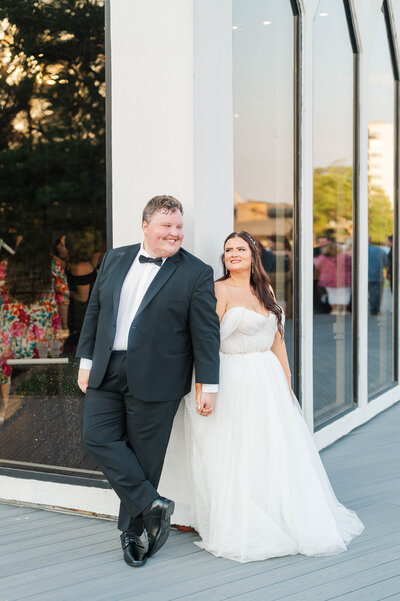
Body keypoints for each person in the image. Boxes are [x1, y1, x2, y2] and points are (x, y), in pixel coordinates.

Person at [160, 231, 364, 563]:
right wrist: (203, 388)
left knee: (269, 447)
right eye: (228, 250)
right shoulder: (218, 290)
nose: (233, 254)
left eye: (240, 248)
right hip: (233, 377)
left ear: (254, 254)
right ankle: (237, 517)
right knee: (234, 449)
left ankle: (276, 509)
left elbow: (277, 339)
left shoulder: (265, 290)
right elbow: (205, 342)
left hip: (266, 378)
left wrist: (286, 382)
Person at [76, 195, 220, 568]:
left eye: (178, 226)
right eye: (166, 226)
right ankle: (154, 505)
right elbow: (95, 310)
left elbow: (206, 333)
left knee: (144, 457)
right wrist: (86, 360)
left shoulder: (196, 272)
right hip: (106, 367)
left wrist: (209, 384)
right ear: (145, 226)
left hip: (159, 377)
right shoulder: (115, 258)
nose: (175, 233)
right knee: (96, 436)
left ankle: (132, 532)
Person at [0, 231, 69, 409]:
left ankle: (6, 408)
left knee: (8, 370)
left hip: (12, 333)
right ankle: (52, 405)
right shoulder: (54, 266)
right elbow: (63, 299)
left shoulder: (4, 267)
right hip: (45, 331)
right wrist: (65, 326)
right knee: (51, 369)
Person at [368, 236, 387, 315]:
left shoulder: (357, 251)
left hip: (362, 276)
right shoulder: (380, 251)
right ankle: (375, 310)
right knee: (376, 293)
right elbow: (386, 264)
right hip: (377, 275)